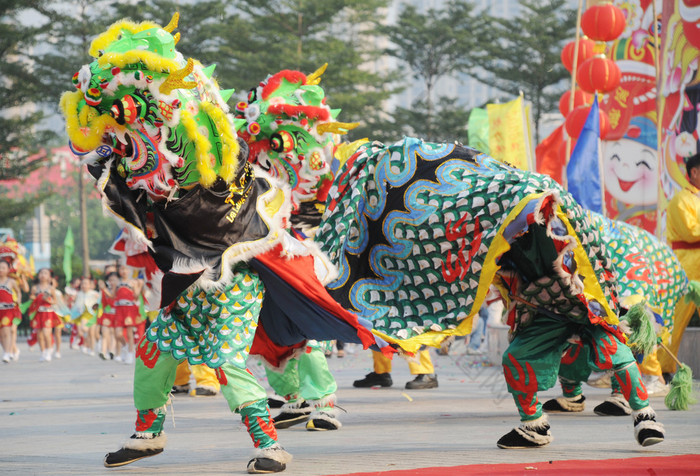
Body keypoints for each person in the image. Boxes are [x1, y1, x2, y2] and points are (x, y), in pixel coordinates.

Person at [60, 17, 385, 474]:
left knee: (227, 360)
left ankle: (274, 444)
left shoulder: (213, 185)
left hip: (235, 284)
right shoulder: (163, 182)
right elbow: (120, 176)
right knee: (154, 349)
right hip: (190, 285)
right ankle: (148, 433)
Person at [662, 150, 700, 373]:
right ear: (694, 172)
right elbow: (690, 231)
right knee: (675, 321)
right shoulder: (680, 199)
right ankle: (662, 370)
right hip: (685, 266)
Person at [0, 260, 28, 362]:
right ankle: (7, 351)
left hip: (8, 310)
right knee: (1, 334)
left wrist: (18, 300)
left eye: (3, 268)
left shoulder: (11, 281)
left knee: (6, 331)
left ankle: (7, 353)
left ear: (8, 270)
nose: (1, 270)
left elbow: (18, 292)